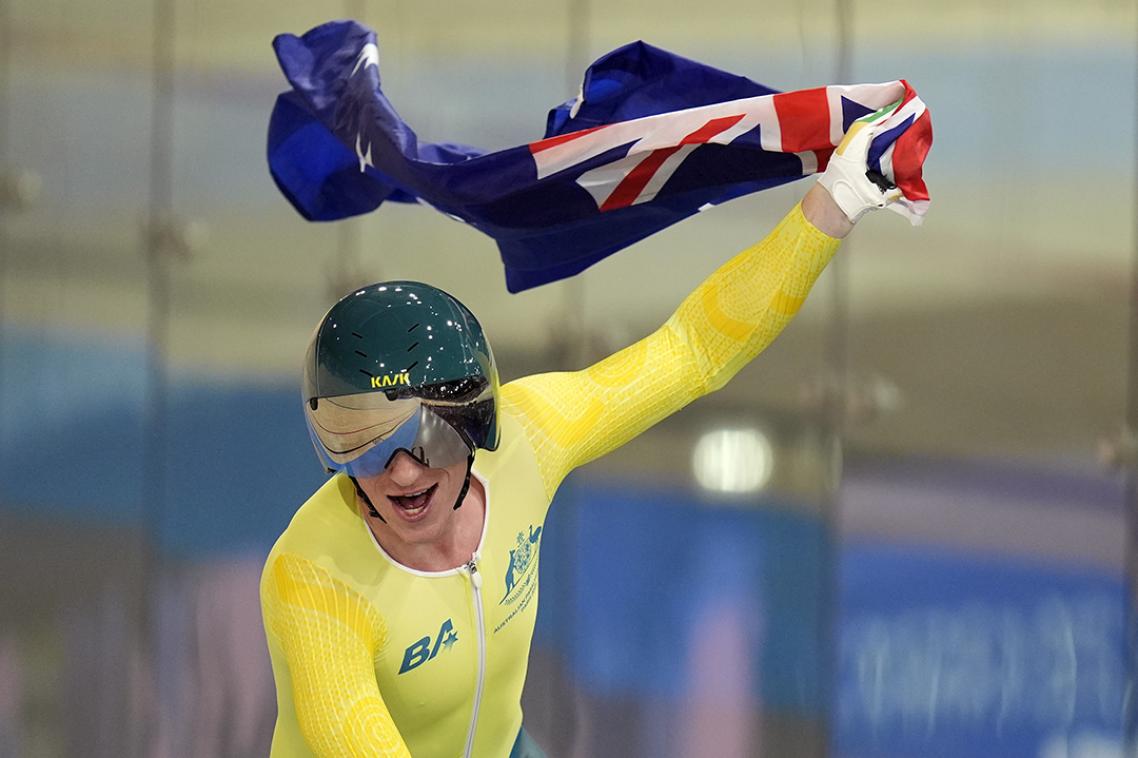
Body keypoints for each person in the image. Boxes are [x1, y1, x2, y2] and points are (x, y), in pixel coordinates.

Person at [260, 108, 908, 757]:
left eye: (426, 437)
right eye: (362, 440)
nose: (400, 471)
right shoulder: (314, 576)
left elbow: (691, 351)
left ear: (476, 423)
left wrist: (839, 197)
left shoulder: (531, 435)